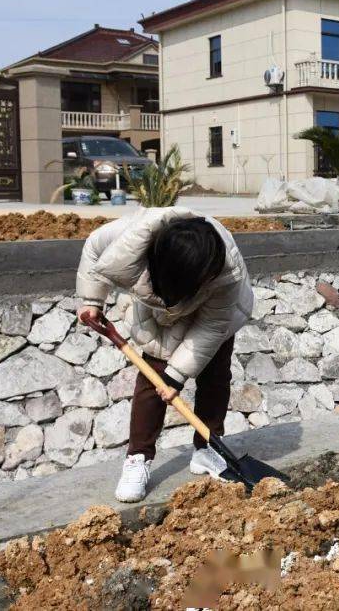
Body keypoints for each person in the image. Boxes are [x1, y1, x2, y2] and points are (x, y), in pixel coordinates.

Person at [76, 208, 254, 502]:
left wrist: (176, 377)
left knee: (214, 376)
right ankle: (137, 459)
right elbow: (95, 247)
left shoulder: (225, 272)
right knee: (152, 380)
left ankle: (207, 448)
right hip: (157, 312)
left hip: (217, 315)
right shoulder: (135, 232)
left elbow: (210, 328)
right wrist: (92, 299)